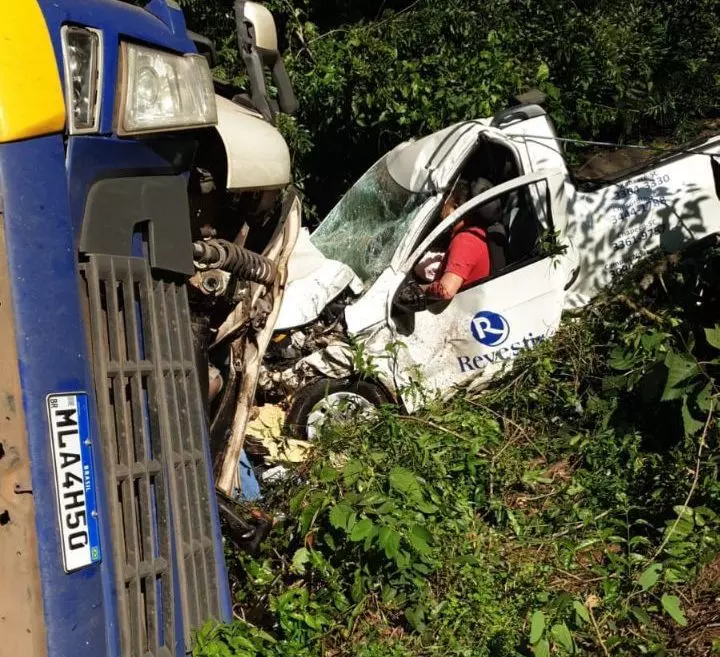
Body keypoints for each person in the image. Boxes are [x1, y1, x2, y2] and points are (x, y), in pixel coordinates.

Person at [400, 177, 503, 310]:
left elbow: (445, 290)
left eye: (446, 200)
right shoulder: (478, 233)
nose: (442, 205)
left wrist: (417, 289)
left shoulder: (465, 241)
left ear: (455, 207)